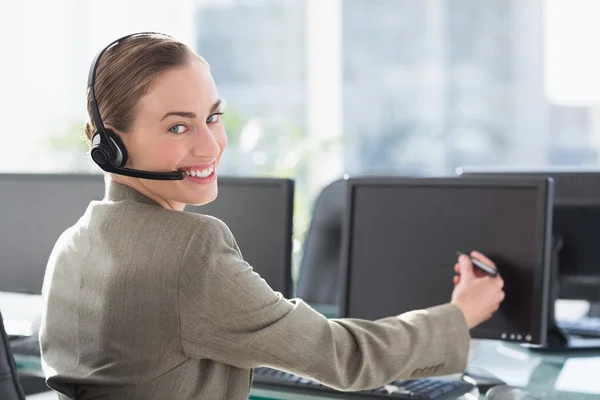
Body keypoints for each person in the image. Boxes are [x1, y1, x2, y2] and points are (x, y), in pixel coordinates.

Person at [39, 33, 505, 400]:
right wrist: (460, 314)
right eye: (178, 126)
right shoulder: (190, 248)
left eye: (213, 117)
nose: (209, 145)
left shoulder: (72, 244)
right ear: (112, 144)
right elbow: (343, 357)